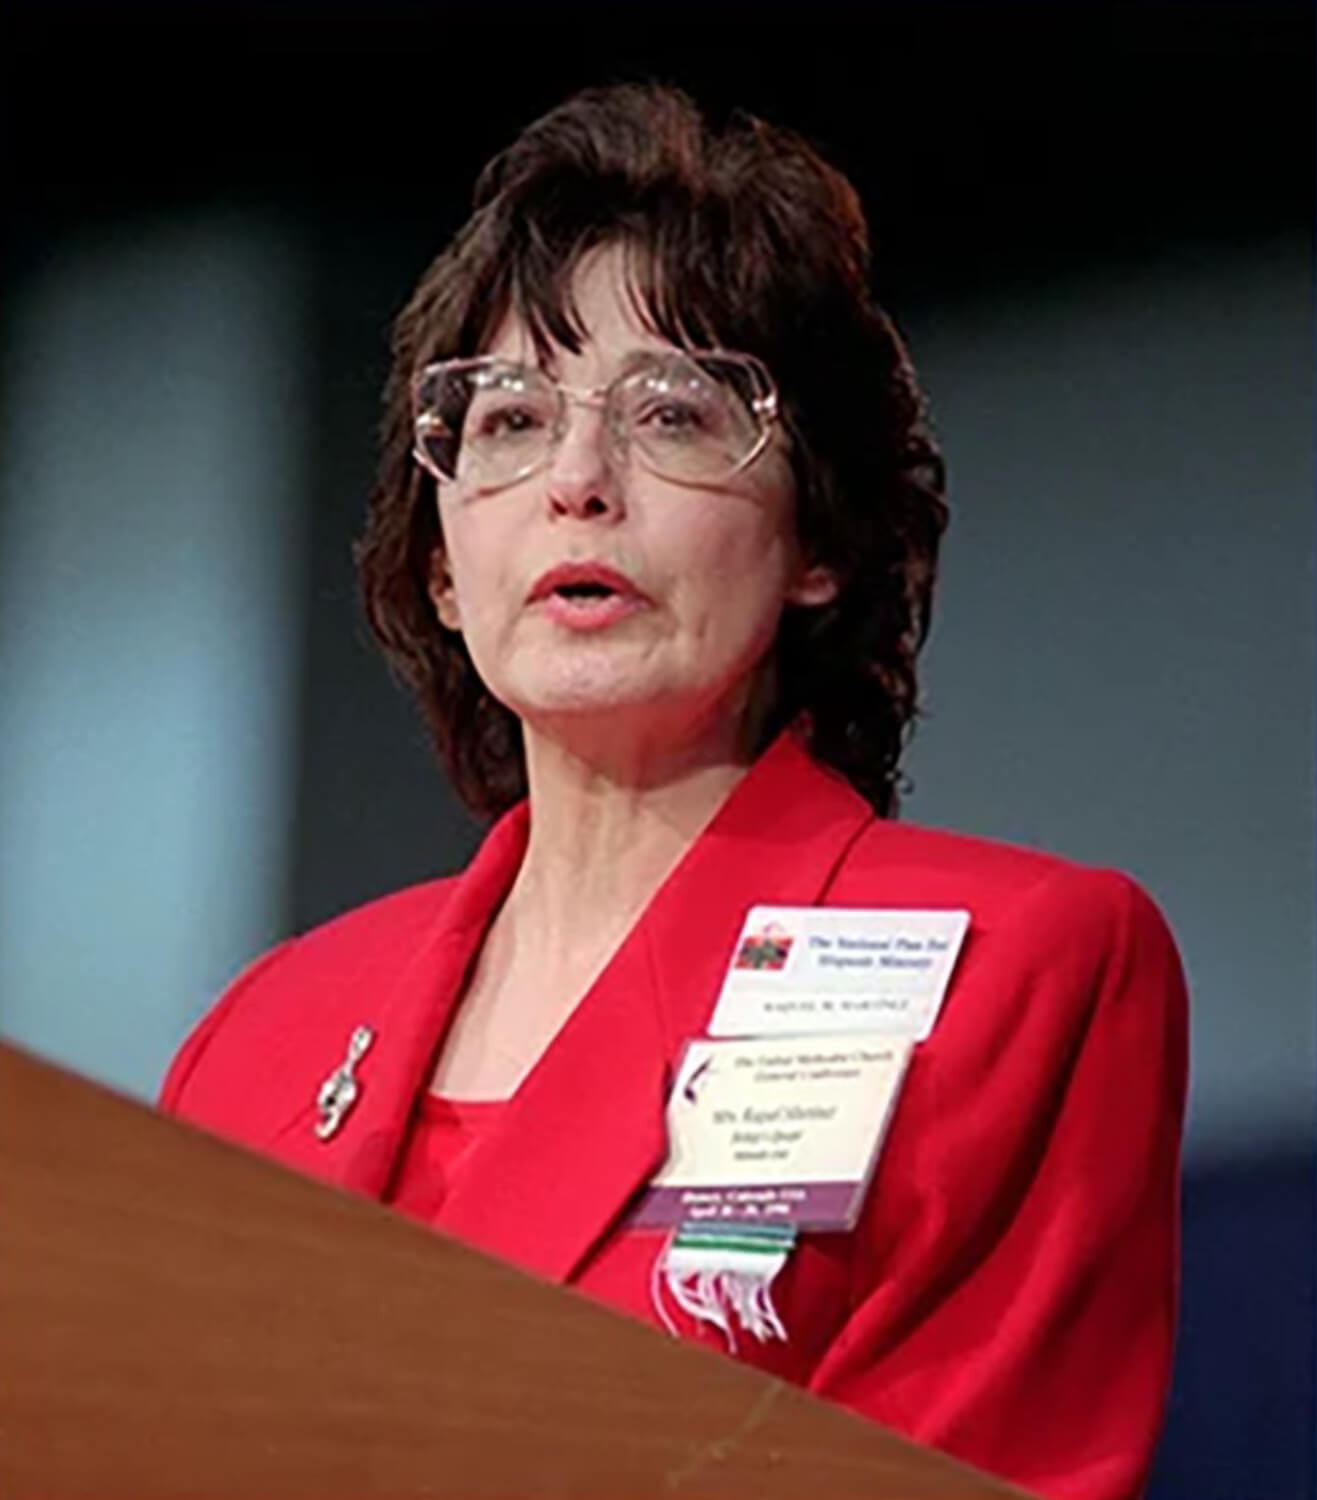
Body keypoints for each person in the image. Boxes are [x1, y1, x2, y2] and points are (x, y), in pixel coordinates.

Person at [160, 83, 1188, 1500]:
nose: (579, 481)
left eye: (673, 414)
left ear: (819, 538)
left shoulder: (1016, 971)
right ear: (444, 567)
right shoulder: (259, 1036)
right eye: (509, 420)